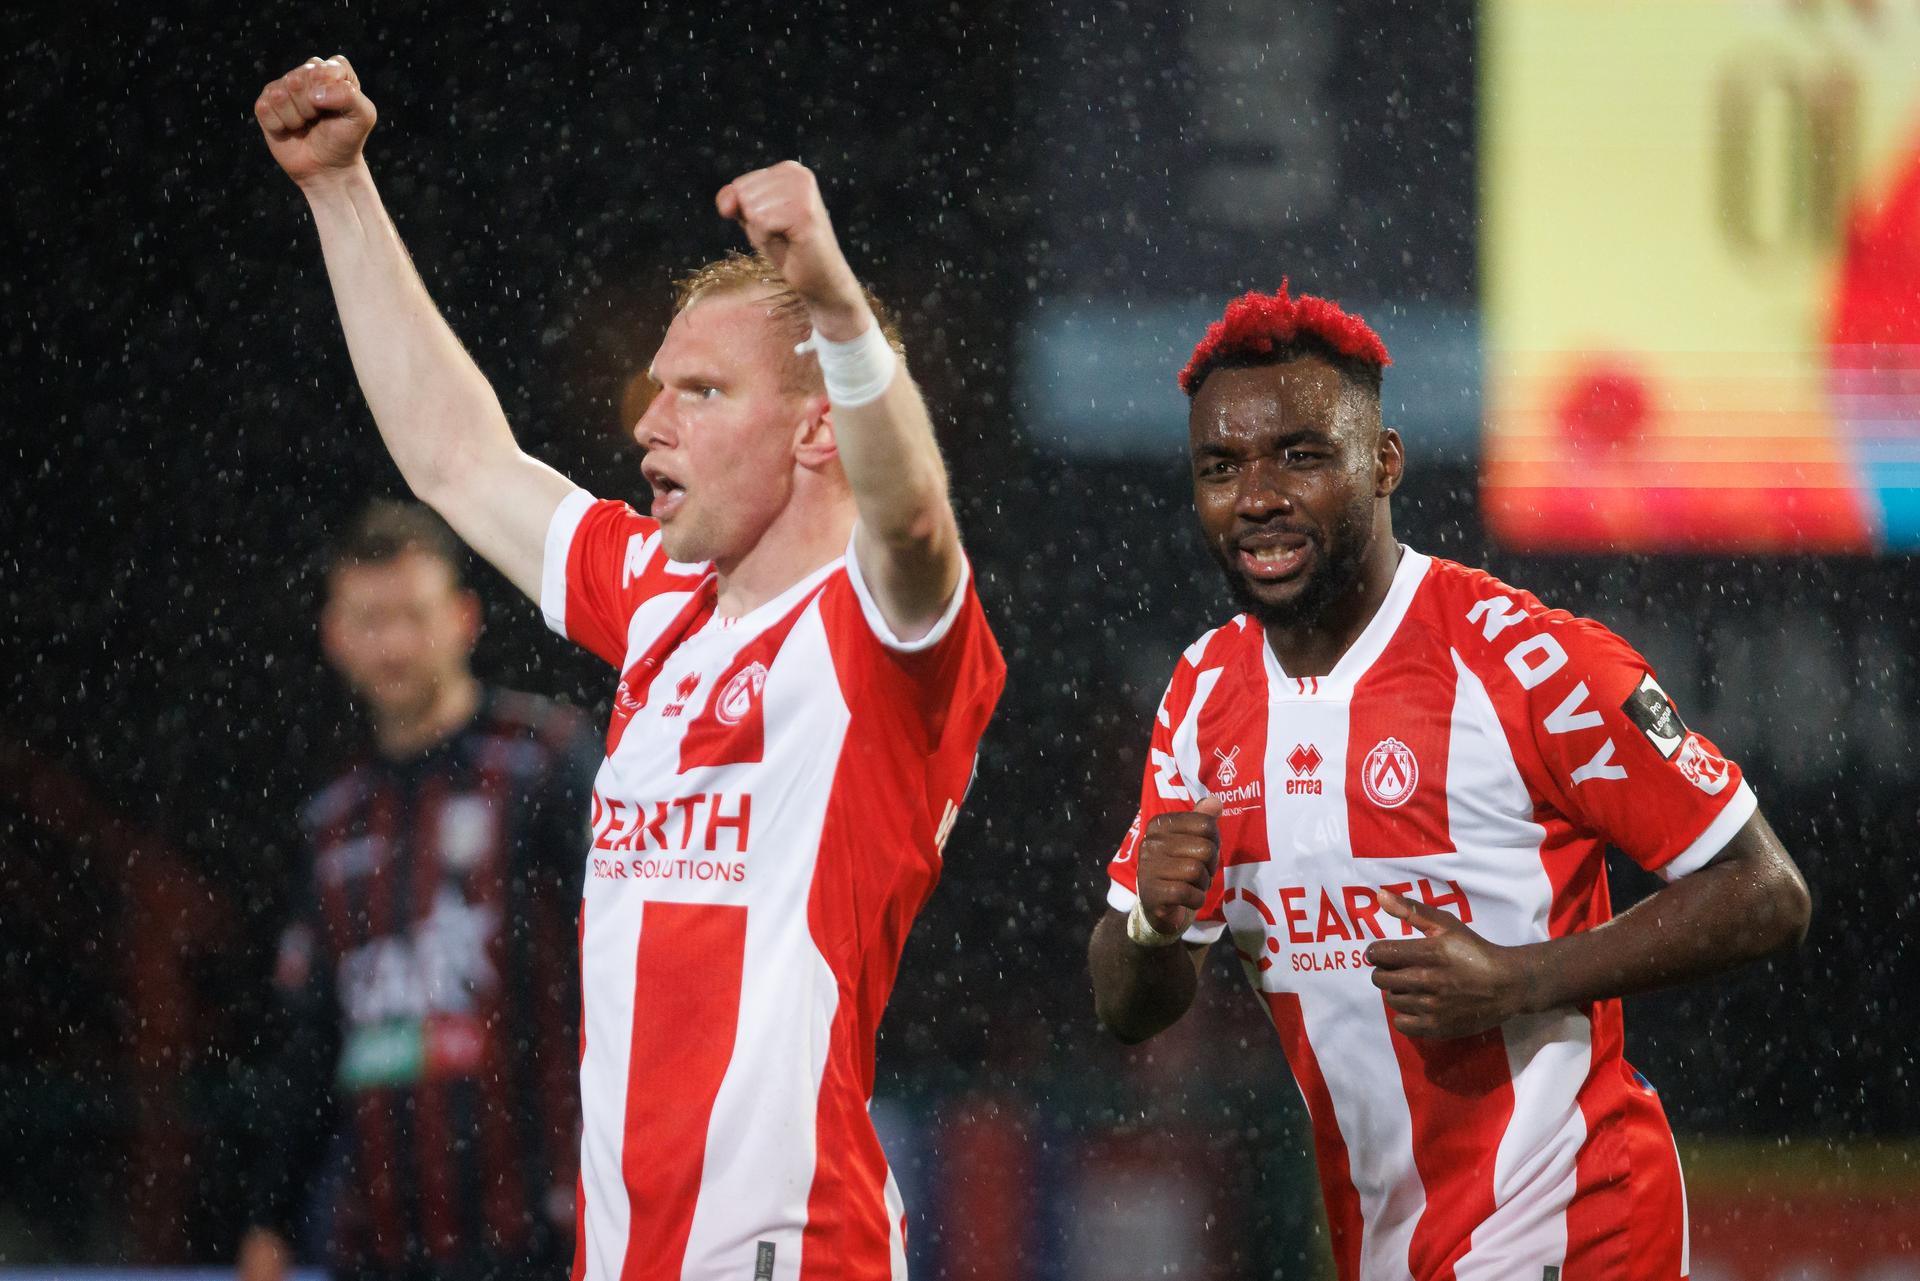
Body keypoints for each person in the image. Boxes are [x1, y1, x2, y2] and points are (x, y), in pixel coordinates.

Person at [254, 55, 1005, 1281]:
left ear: (819, 426)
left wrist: (838, 306)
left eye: (700, 392)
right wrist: (340, 189)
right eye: (658, 391)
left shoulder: (876, 642)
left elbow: (915, 528)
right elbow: (457, 460)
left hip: (790, 1252)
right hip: (619, 1253)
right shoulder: (658, 597)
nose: (650, 425)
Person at [1086, 284, 1812, 1280]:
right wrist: (1151, 928)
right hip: (1390, 1245)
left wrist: (1526, 979)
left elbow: (1766, 892)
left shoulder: (1527, 662)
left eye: (1300, 455)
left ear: (1382, 464)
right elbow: (1129, 1007)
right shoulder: (1204, 694)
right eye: (1222, 467)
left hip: (1571, 1221)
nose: (1256, 496)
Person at [241, 502, 599, 1280]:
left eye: (412, 614)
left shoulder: (547, 762)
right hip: (379, 1248)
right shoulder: (331, 821)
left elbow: (634, 969)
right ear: (334, 636)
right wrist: (270, 1219)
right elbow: (312, 1043)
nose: (395, 642)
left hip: (545, 1237)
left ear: (465, 618)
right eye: (370, 618)